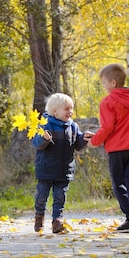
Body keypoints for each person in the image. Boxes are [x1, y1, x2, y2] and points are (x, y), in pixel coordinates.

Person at [84, 63, 129, 233]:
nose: (104, 86)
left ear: (113, 83)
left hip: (117, 149)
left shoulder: (108, 101)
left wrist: (95, 141)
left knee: (119, 183)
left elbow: (108, 127)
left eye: (104, 83)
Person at [32, 93, 88, 234]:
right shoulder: (45, 125)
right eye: (66, 109)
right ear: (55, 111)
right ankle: (39, 216)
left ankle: (57, 221)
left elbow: (78, 144)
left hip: (64, 170)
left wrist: (85, 139)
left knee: (60, 197)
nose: (70, 112)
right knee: (42, 196)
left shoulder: (73, 127)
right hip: (46, 169)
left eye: (72, 108)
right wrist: (44, 138)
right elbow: (37, 144)